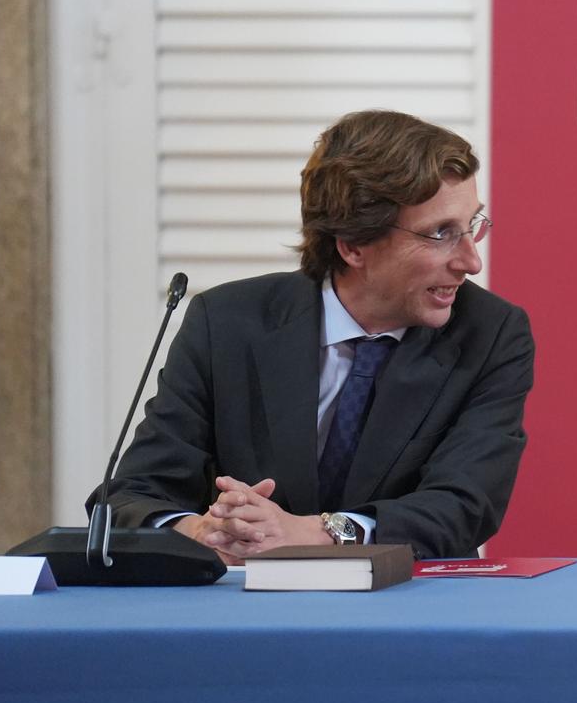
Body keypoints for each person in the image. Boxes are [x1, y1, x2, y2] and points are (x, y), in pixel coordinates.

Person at [94, 110, 535, 560]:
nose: (470, 261)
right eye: (441, 234)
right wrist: (200, 532)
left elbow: (462, 507)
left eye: (472, 225)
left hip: (405, 610)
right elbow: (129, 495)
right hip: (245, 612)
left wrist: (317, 533)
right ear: (353, 246)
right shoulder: (225, 322)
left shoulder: (492, 334)